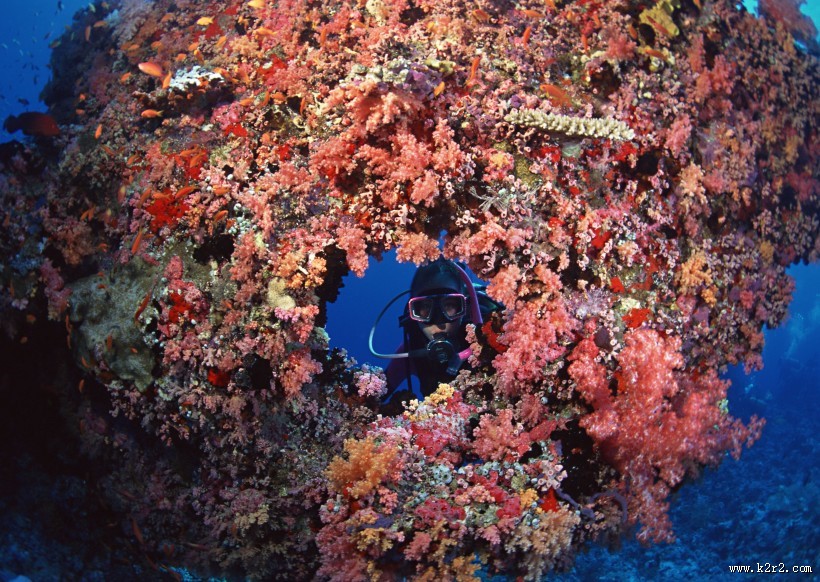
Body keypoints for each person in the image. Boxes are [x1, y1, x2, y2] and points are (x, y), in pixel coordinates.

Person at [369, 258, 502, 413]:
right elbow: (370, 400)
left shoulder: (491, 334)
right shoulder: (410, 354)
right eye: (425, 308)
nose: (439, 321)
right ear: (412, 313)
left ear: (465, 306)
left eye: (450, 305)